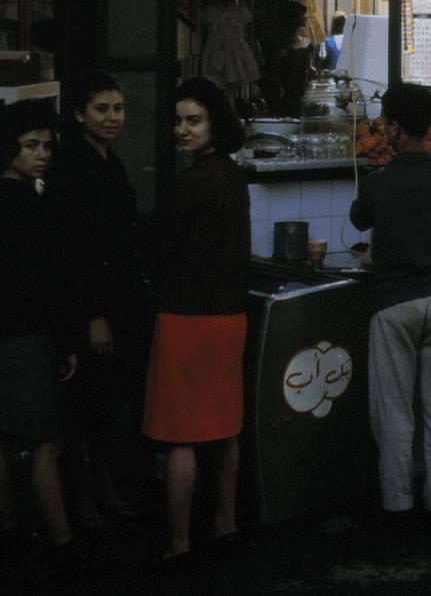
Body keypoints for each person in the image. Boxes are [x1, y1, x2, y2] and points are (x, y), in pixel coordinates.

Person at [143, 77, 250, 569]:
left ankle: (180, 541)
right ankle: (226, 523)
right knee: (224, 429)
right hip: (230, 316)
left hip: (185, 317)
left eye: (194, 121)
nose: (182, 130)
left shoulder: (187, 184)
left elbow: (159, 252)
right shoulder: (233, 177)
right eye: (179, 121)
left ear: (214, 124)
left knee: (179, 435)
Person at [350, 83, 431, 524]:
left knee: (395, 412)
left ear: (396, 127)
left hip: (395, 303)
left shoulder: (381, 182)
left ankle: (398, 505)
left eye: (385, 122)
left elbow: (360, 218)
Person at [48, 71, 149, 525]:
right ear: (78, 114)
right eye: (101, 109)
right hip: (91, 306)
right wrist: (93, 316)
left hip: (119, 299)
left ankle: (105, 492)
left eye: (118, 108)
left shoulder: (109, 158)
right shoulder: (73, 166)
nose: (112, 118)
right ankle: (85, 501)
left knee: (109, 404)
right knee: (90, 407)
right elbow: (74, 251)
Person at [0, 101, 83, 572]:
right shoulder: (30, 206)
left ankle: (10, 531)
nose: (42, 154)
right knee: (46, 444)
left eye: (48, 146)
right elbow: (49, 283)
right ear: (10, 148)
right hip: (28, 335)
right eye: (32, 145)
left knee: (5, 439)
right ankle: (63, 540)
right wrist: (66, 341)